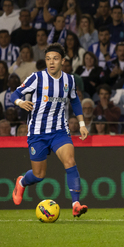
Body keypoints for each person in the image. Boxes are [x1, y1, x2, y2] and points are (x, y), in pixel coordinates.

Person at [10, 42, 89, 217]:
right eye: (48, 59)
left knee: (70, 161)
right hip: (37, 133)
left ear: (62, 60)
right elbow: (14, 94)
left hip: (60, 131)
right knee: (39, 175)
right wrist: (20, 102)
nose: (51, 62)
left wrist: (82, 124)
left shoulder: (69, 80)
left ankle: (76, 203)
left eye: (55, 59)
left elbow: (74, 100)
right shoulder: (37, 78)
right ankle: (22, 182)